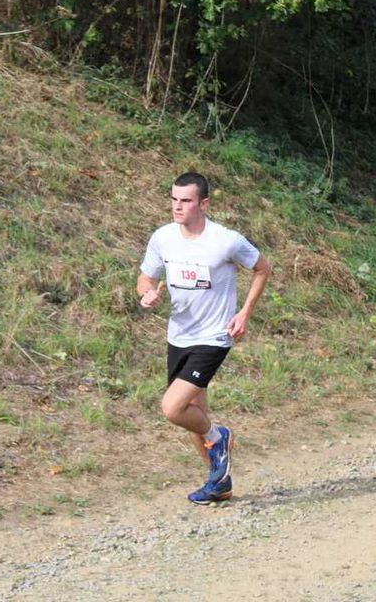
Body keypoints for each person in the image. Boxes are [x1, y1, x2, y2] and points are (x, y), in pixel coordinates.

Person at [137, 171, 271, 504]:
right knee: (193, 410)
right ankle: (218, 481)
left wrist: (244, 313)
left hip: (213, 336)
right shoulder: (163, 238)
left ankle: (219, 436)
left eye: (185, 200)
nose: (177, 207)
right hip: (178, 335)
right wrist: (147, 293)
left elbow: (262, 268)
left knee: (173, 407)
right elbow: (145, 278)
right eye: (173, 199)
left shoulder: (226, 240)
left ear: (204, 204)